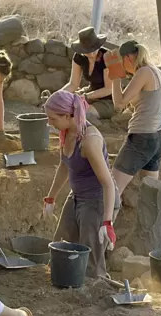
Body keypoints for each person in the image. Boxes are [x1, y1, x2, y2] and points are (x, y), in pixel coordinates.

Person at [42, 90, 120, 278]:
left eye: (52, 118)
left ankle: (97, 291)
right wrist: (51, 197)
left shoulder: (89, 141)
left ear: (68, 115)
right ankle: (68, 285)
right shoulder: (67, 132)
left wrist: (107, 222)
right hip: (77, 196)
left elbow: (108, 184)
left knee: (91, 259)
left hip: (97, 200)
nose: (48, 123)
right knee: (62, 245)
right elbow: (64, 165)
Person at [107, 40, 161, 197]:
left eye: (121, 63)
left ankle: (105, 222)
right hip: (157, 137)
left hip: (141, 136)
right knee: (151, 196)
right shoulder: (157, 72)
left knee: (111, 191)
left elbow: (119, 104)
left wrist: (114, 77)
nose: (123, 69)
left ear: (128, 58)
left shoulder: (143, 73)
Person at [62, 27, 114, 120]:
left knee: (82, 113)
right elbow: (73, 84)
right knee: (64, 107)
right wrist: (57, 95)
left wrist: (85, 97)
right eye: (88, 51)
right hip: (90, 92)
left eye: (94, 49)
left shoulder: (107, 57)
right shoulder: (79, 57)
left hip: (109, 100)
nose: (92, 53)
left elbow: (108, 89)